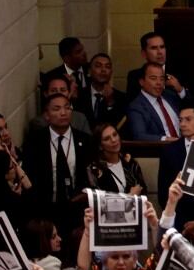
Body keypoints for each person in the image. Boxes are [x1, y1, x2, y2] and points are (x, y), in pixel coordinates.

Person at [21, 93, 91, 235]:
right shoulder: (35, 141)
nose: (63, 113)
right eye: (56, 109)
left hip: (77, 209)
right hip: (46, 210)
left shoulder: (85, 140)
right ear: (46, 115)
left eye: (67, 108)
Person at [127, 62, 182, 141]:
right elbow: (139, 135)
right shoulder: (136, 106)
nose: (159, 83)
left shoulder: (170, 96)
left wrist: (180, 90)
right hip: (161, 150)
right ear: (142, 82)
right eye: (153, 78)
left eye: (162, 79)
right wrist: (166, 139)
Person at [86, 123, 147, 195]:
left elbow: (143, 190)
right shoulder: (94, 169)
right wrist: (129, 196)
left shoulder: (130, 163)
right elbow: (100, 200)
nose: (113, 140)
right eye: (107, 139)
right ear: (100, 146)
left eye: (115, 135)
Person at [125, 32, 187, 102]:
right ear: (144, 54)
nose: (160, 52)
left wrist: (180, 90)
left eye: (162, 47)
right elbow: (132, 104)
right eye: (154, 48)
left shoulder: (178, 73)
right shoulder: (135, 76)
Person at [75, 53, 128, 131]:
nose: (103, 70)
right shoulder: (79, 95)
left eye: (107, 67)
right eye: (98, 66)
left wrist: (110, 103)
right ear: (89, 71)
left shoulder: (121, 97)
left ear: (111, 72)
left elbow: (119, 127)